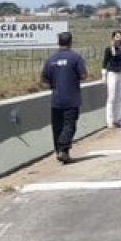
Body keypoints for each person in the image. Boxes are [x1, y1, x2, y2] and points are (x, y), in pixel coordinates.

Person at [40, 31, 87, 164]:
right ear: (71, 42)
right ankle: (63, 147)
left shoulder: (50, 59)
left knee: (57, 126)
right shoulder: (76, 58)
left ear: (58, 42)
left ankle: (61, 152)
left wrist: (54, 84)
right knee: (69, 125)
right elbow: (83, 75)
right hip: (71, 98)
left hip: (56, 98)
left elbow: (43, 79)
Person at [102, 30, 121, 129]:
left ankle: (117, 119)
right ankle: (109, 120)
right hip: (112, 73)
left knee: (119, 97)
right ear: (113, 38)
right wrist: (104, 75)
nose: (118, 38)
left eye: (120, 37)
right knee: (111, 97)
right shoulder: (109, 49)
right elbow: (104, 62)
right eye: (116, 36)